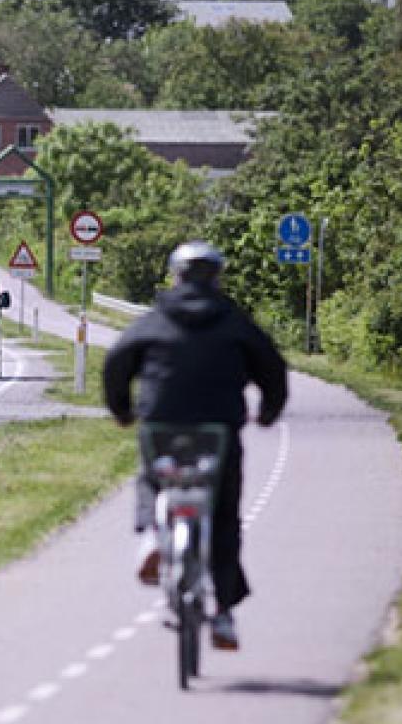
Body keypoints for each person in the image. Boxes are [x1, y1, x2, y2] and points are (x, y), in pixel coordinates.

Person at [102, 240, 287, 651]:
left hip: (161, 424)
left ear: (177, 276)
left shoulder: (155, 319)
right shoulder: (234, 320)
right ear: (216, 277)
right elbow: (271, 367)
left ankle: (152, 535)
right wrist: (270, 412)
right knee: (222, 514)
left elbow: (117, 361)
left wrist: (122, 410)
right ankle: (222, 613)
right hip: (218, 430)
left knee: (153, 475)